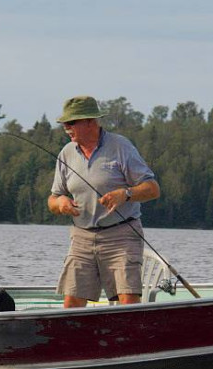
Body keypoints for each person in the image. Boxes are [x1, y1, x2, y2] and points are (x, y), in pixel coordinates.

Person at [48, 95, 160, 308]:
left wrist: (125, 194)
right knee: (71, 301)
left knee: (127, 300)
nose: (66, 127)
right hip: (81, 237)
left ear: (90, 121)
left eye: (71, 122)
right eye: (64, 123)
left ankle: (129, 340)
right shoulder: (67, 153)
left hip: (121, 236)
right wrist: (60, 202)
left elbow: (153, 189)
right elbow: (52, 199)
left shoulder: (121, 146)